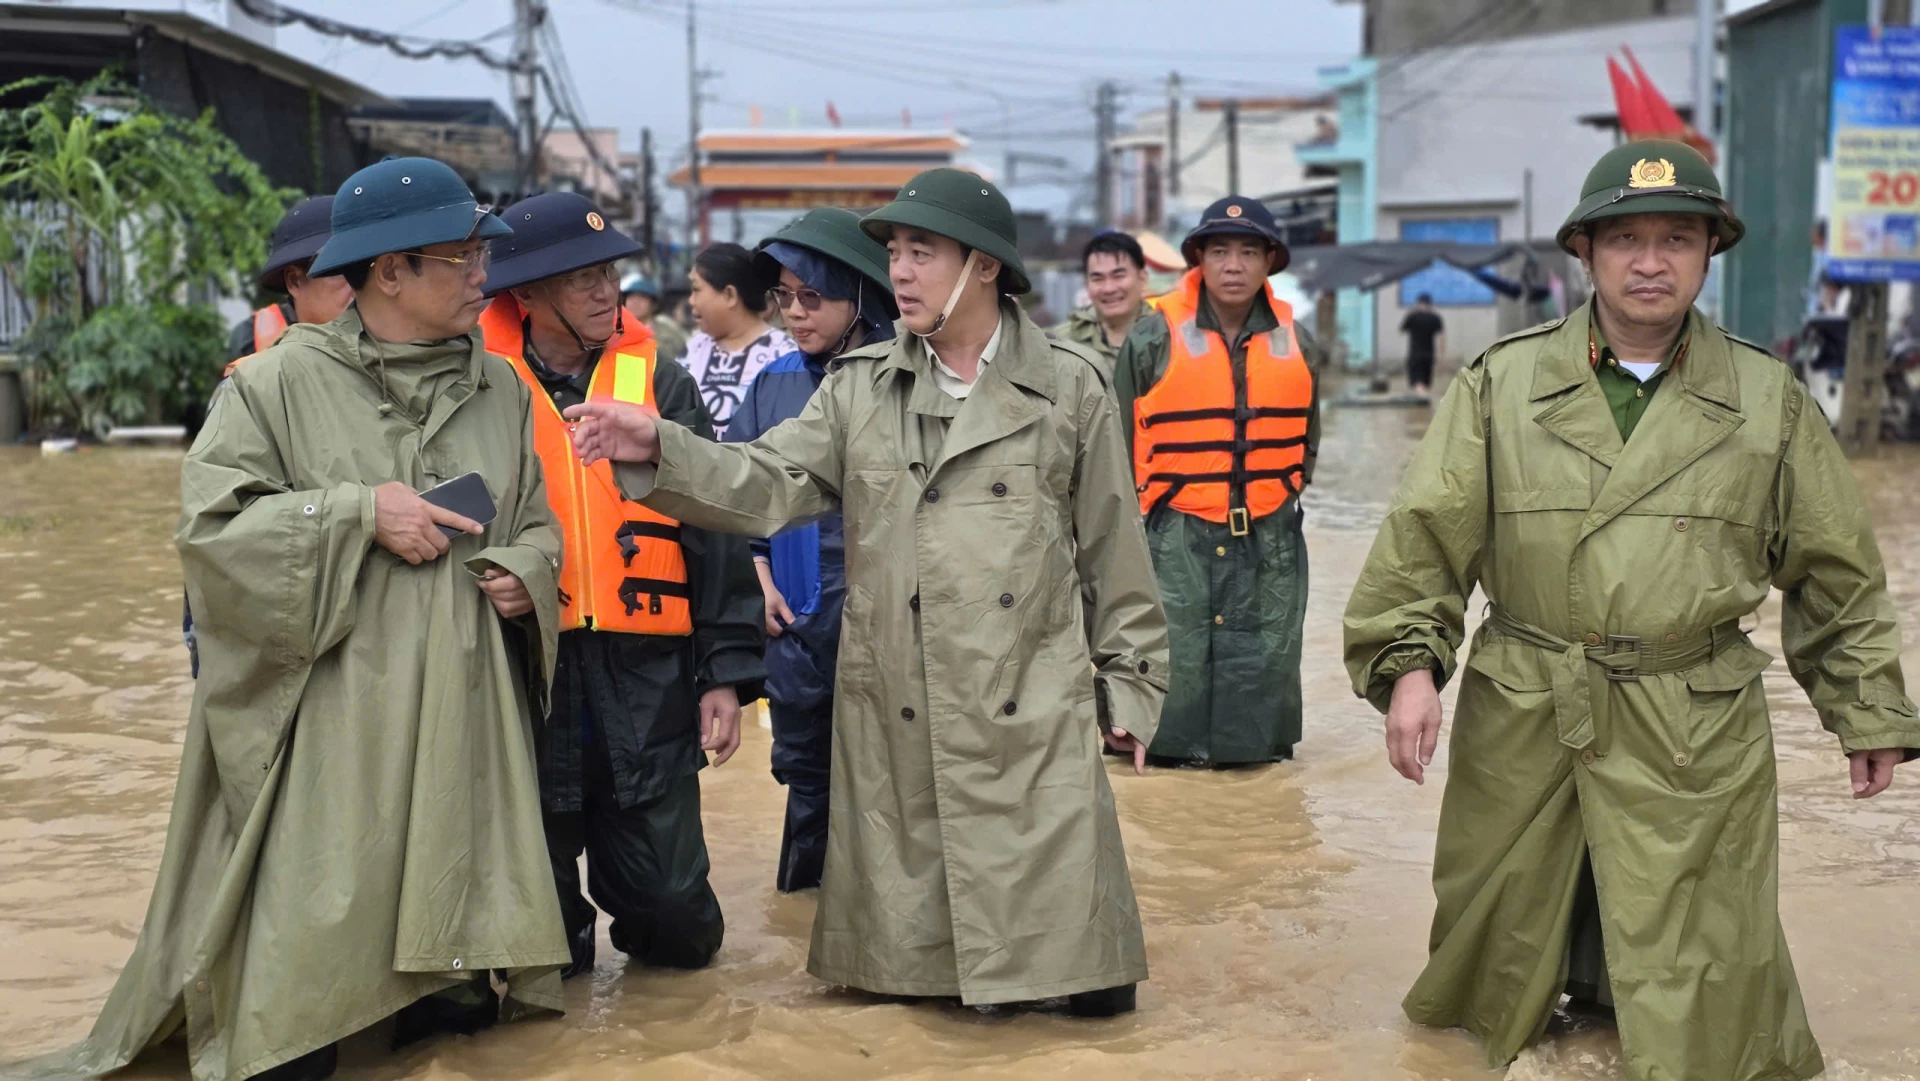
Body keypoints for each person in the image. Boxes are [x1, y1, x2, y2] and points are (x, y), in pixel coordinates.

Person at [1343, 140, 1918, 1081]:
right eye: (1626, 240)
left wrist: (1868, 709)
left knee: (1709, 990)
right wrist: (1409, 667)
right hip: (1528, 704)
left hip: (1692, 717)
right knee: (1490, 983)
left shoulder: (1766, 399)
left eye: (1676, 239)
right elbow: (1425, 539)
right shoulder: (1500, 384)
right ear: (1586, 252)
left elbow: (1835, 571)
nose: (1651, 262)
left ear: (1708, 253)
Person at [562, 169, 1169, 1017]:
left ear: (985, 265)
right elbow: (766, 478)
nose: (901, 272)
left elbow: (1114, 548)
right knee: (909, 1010)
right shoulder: (862, 386)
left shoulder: (1070, 385)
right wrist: (660, 445)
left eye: (923, 251)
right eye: (895, 254)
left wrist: (1132, 685)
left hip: (1032, 705)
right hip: (898, 706)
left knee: (1090, 1003)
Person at [16, 158, 569, 1081]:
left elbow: (537, 524)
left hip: (462, 711)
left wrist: (526, 571)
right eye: (464, 256)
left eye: (482, 253)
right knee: (300, 998)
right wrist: (356, 512)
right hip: (334, 719)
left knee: (454, 1014)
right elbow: (211, 534)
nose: (486, 273)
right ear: (389, 271)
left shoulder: (503, 389)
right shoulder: (270, 387)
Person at [477, 191, 764, 979]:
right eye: (585, 279)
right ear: (527, 294)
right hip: (525, 669)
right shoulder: (477, 385)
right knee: (542, 952)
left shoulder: (660, 380)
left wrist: (725, 673)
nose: (609, 292)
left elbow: (711, 524)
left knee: (678, 926)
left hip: (646, 673)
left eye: (610, 273)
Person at [725, 207, 898, 893]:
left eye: (812, 296)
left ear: (859, 295)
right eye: (785, 297)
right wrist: (756, 574)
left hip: (889, 623)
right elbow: (736, 490)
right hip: (797, 620)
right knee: (808, 780)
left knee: (895, 783)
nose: (794, 313)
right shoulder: (773, 384)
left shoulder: (906, 378)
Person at [1112, 196, 1318, 767]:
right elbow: (1116, 450)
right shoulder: (1151, 339)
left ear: (1269, 261)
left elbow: (1308, 443)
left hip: (1271, 537)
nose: (1233, 265)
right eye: (1220, 251)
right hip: (1175, 535)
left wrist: (1270, 500)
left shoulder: (1301, 342)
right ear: (1199, 259)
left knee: (1265, 671)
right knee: (1172, 667)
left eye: (1248, 252)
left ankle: (1252, 787)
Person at [223, 194, 354, 372]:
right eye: (337, 269)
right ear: (295, 281)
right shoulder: (250, 348)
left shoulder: (386, 343)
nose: (359, 283)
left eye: (366, 268)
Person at [677, 242, 795, 435]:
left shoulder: (784, 356)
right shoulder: (694, 347)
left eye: (696, 289)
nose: (691, 300)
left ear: (730, 295)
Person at [1054, 231, 1152, 370]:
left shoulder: (1168, 336)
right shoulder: (1061, 343)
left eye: (1118, 276)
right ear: (1086, 283)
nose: (1108, 288)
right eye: (1098, 278)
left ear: (1143, 278)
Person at [621, 272, 690, 363]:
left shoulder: (669, 335)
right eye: (631, 297)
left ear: (654, 305)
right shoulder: (614, 332)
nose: (635, 303)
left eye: (642, 297)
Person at [1398, 292, 1444, 398]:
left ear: (1418, 303)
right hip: (1429, 354)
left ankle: (1422, 398)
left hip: (1415, 354)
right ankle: (1423, 398)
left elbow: (1400, 331)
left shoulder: (1412, 316)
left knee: (1418, 381)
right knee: (1425, 381)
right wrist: (1442, 355)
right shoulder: (1435, 318)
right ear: (1430, 304)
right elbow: (1441, 337)